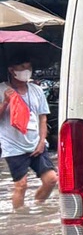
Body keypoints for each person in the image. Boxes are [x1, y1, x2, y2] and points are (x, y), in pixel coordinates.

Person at [3, 55, 53, 212]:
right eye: (22, 67)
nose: (27, 71)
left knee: (51, 180)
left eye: (29, 67)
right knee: (21, 185)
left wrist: (41, 141)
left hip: (36, 142)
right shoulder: (2, 90)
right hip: (13, 146)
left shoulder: (36, 90)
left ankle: (37, 207)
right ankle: (18, 216)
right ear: (11, 70)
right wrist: (5, 102)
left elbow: (42, 118)